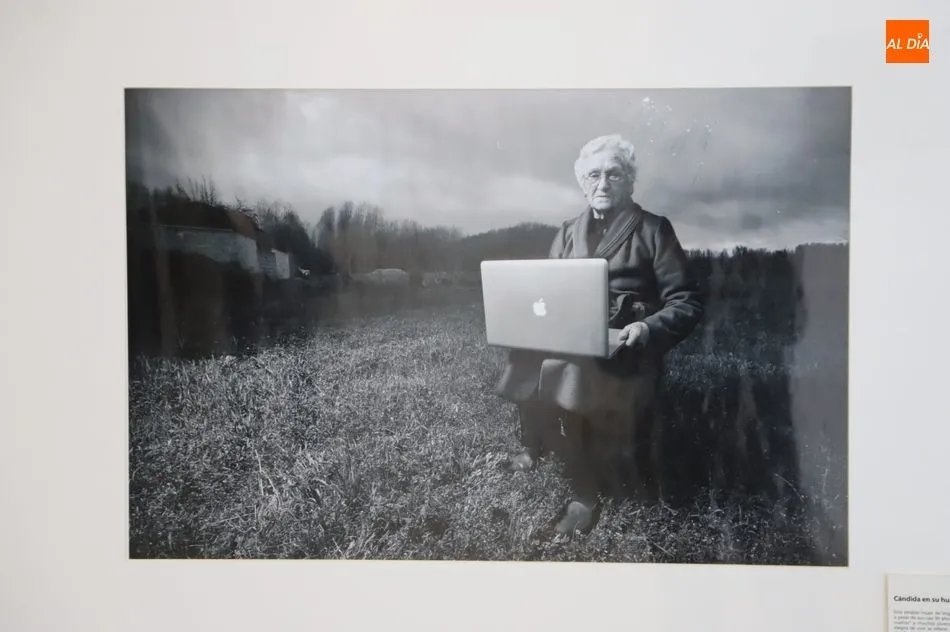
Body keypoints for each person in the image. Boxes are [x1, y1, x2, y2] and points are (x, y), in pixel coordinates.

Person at [494, 134, 705, 535]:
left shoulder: (654, 230)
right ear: (582, 183)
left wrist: (645, 328)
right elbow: (547, 288)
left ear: (629, 182)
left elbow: (687, 301)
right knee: (523, 353)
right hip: (571, 329)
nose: (603, 184)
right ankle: (532, 443)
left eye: (614, 174)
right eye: (594, 175)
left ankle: (583, 494)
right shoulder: (569, 230)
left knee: (569, 367)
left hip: (626, 346)